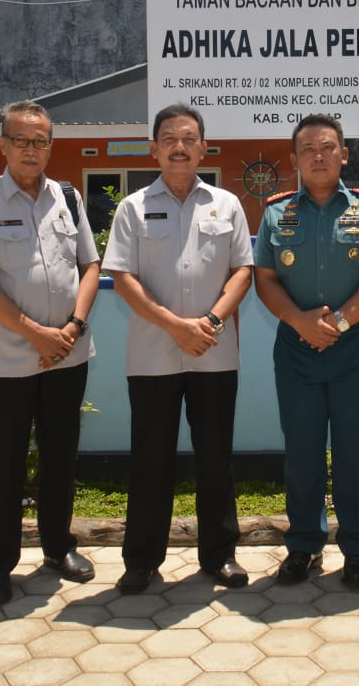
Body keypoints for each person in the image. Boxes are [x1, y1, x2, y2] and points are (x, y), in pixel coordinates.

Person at [0, 100, 100, 606]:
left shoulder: (69, 199)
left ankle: (58, 548)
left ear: (50, 146)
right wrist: (37, 333)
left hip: (68, 355)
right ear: (3, 145)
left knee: (61, 458)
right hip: (8, 362)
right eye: (21, 140)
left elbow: (90, 267)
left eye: (40, 141)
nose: (31, 150)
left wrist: (73, 328)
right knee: (5, 465)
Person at [102, 103, 254, 594]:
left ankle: (220, 556)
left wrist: (207, 321)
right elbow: (121, 276)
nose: (179, 147)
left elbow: (243, 271)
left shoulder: (226, 204)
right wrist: (174, 325)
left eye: (189, 138)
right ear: (154, 149)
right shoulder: (133, 206)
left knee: (216, 458)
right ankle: (142, 560)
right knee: (151, 460)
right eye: (169, 138)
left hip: (214, 351)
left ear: (204, 147)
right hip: (152, 356)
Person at [254, 113, 359, 590]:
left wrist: (336, 323)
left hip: (354, 349)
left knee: (358, 454)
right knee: (302, 454)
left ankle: (358, 550)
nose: (318, 156)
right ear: (294, 158)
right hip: (296, 351)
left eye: (327, 147)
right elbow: (265, 279)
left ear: (343, 154)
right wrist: (300, 322)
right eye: (308, 149)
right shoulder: (275, 213)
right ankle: (304, 546)